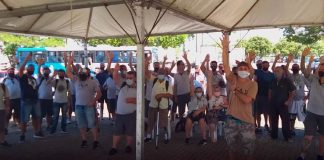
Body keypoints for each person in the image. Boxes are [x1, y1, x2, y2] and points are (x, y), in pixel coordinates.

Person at [221, 33, 258, 160]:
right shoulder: (233, 78)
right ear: (237, 70)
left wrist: (235, 90)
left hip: (247, 122)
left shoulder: (253, 84)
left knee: (248, 151)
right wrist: (225, 48)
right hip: (231, 120)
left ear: (248, 71)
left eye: (245, 68)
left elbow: (247, 100)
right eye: (240, 68)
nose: (242, 70)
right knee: (231, 149)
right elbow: (226, 66)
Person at [66, 55, 102, 149]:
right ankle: (84, 140)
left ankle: (95, 141)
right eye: (80, 74)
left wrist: (94, 101)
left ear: (87, 74)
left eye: (83, 74)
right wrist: (69, 62)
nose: (81, 75)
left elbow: (99, 93)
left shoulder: (93, 81)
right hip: (78, 106)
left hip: (88, 106)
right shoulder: (76, 79)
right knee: (81, 124)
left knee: (92, 124)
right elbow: (68, 72)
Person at [296, 49, 324, 160]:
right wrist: (303, 57)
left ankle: (320, 155)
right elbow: (303, 70)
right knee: (308, 136)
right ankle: (302, 155)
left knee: (323, 137)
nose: (321, 68)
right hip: (311, 112)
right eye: (320, 67)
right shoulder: (313, 79)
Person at [109, 65, 137, 156]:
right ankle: (114, 147)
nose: (129, 79)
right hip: (119, 114)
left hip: (131, 114)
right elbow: (115, 78)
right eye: (128, 77)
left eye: (131, 78)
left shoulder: (139, 88)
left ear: (135, 78)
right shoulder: (122, 85)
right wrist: (116, 70)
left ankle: (128, 146)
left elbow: (141, 100)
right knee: (117, 131)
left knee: (130, 131)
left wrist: (132, 100)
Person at [19, 53, 43, 141]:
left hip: (35, 100)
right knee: (24, 119)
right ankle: (22, 134)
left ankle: (37, 132)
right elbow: (21, 70)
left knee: (37, 117)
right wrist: (26, 60)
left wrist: (39, 65)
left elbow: (36, 87)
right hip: (26, 101)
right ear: (27, 69)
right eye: (30, 68)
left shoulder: (33, 78)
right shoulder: (23, 77)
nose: (31, 69)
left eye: (32, 68)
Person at [144, 68, 173, 144]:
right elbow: (146, 73)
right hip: (153, 105)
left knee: (164, 122)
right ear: (157, 74)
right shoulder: (153, 80)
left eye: (162, 73)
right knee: (150, 121)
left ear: (165, 74)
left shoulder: (167, 83)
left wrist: (161, 95)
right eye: (159, 73)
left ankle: (166, 136)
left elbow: (170, 95)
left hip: (163, 106)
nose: (161, 74)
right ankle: (148, 136)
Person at [269, 65, 296, 142]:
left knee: (285, 122)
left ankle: (287, 137)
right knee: (273, 121)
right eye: (275, 71)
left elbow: (293, 91)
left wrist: (289, 100)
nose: (276, 72)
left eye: (278, 71)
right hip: (273, 104)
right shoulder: (272, 80)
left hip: (283, 104)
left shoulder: (287, 81)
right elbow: (269, 91)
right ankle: (273, 136)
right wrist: (270, 100)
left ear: (282, 72)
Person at [285, 54, 309, 136]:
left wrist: (307, 96)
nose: (295, 68)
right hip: (292, 100)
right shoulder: (289, 76)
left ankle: (308, 131)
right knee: (292, 117)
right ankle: (292, 129)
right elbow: (285, 69)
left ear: (299, 69)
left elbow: (310, 86)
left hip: (301, 100)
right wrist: (288, 61)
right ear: (292, 69)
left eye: (296, 67)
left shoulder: (303, 77)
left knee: (304, 117)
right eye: (294, 67)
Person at [206, 71, 228, 143]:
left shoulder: (223, 97)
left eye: (218, 90)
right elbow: (209, 86)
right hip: (212, 113)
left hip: (221, 112)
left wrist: (221, 106)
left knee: (230, 121)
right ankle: (213, 136)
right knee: (212, 124)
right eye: (215, 90)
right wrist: (209, 78)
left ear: (220, 90)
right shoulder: (211, 96)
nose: (216, 91)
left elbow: (228, 106)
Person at [254, 61, 275, 133]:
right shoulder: (258, 72)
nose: (265, 66)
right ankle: (259, 127)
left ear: (269, 65)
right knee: (257, 112)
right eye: (264, 65)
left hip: (268, 96)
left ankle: (267, 125)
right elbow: (254, 80)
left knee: (268, 112)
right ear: (262, 66)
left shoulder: (272, 74)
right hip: (258, 95)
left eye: (267, 65)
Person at [50, 69, 71, 134]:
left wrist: (69, 101)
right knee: (55, 116)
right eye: (59, 74)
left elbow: (69, 92)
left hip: (64, 101)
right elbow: (48, 82)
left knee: (64, 116)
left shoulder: (67, 81)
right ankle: (53, 129)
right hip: (56, 101)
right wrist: (53, 75)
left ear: (64, 74)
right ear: (58, 74)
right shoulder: (55, 81)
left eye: (62, 73)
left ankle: (63, 129)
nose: (60, 75)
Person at [173, 52, 191, 119]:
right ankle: (181, 124)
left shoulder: (187, 72)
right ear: (178, 66)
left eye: (183, 64)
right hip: (180, 96)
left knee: (190, 110)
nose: (183, 65)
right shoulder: (175, 75)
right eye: (182, 64)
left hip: (188, 94)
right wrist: (175, 96)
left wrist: (186, 58)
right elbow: (175, 86)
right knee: (181, 112)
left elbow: (189, 66)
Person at [3, 67, 21, 133]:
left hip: (18, 99)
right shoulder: (5, 80)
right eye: (10, 71)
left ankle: (20, 127)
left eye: (12, 71)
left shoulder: (17, 79)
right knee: (7, 115)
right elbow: (3, 89)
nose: (11, 72)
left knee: (18, 114)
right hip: (9, 100)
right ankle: (5, 128)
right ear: (7, 72)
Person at [37, 64, 54, 131]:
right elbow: (38, 72)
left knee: (49, 114)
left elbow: (55, 85)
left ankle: (48, 125)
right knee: (41, 114)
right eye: (45, 71)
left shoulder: (51, 78)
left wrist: (54, 92)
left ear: (49, 72)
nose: (46, 72)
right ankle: (39, 127)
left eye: (47, 71)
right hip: (41, 99)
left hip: (49, 98)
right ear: (43, 71)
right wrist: (39, 65)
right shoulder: (40, 77)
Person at [0, 82, 10, 147]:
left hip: (1, 109)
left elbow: (7, 97)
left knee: (1, 126)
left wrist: (7, 107)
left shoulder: (3, 86)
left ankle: (2, 141)